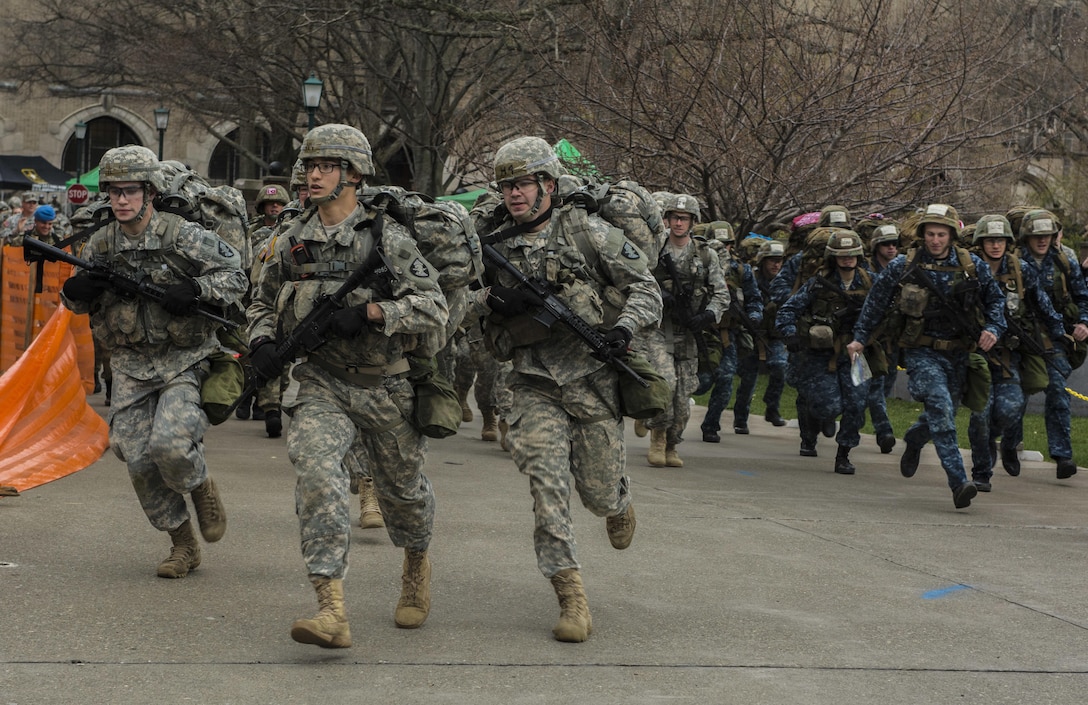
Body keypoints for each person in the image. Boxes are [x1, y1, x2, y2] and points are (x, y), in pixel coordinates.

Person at [247, 124, 448, 648]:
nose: (313, 175)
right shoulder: (289, 240)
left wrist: (375, 311)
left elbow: (434, 306)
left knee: (404, 498)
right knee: (316, 475)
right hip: (322, 383)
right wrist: (263, 339)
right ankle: (331, 609)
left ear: (353, 175)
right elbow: (262, 300)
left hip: (386, 388)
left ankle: (416, 563)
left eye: (327, 166)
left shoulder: (387, 239)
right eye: (310, 166)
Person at [476, 135, 661, 642]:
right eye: (507, 185)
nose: (514, 194)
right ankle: (571, 595)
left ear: (548, 185)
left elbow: (646, 288)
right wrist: (494, 300)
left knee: (597, 495)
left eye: (524, 183)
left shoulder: (590, 234)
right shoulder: (491, 246)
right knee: (547, 490)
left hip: (593, 382)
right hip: (532, 384)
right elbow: (456, 299)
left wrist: (622, 330)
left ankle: (618, 501)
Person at [58, 145, 246, 577]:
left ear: (150, 193)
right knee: (137, 457)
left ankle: (199, 485)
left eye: (130, 191)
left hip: (183, 358)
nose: (121, 200)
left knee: (170, 446)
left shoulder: (183, 235)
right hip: (129, 363)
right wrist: (80, 290)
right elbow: (74, 301)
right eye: (114, 192)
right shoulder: (102, 242)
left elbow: (235, 275)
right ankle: (182, 543)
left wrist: (197, 291)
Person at [846, 204, 1006, 509]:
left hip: (960, 354)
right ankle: (959, 482)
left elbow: (996, 300)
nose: (935, 240)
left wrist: (994, 329)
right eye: (930, 234)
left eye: (941, 234)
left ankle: (917, 437)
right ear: (922, 234)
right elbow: (875, 303)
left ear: (951, 235)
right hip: (922, 353)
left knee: (942, 413)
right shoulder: (903, 265)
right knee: (942, 410)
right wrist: (860, 339)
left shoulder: (971, 266)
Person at [965, 214, 1065, 490]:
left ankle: (1004, 443)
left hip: (1011, 354)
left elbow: (1041, 303)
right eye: (989, 240)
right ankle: (981, 471)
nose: (995, 245)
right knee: (980, 415)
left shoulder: (1021, 270)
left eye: (1000, 240)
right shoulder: (968, 270)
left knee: (1010, 410)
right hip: (977, 355)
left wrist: (1060, 331)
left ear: (1007, 242)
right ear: (980, 242)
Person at [778, 230, 872, 475]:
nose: (848, 259)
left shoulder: (870, 281)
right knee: (828, 406)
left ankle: (844, 454)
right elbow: (788, 309)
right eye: (842, 255)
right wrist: (790, 334)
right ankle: (812, 423)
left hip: (856, 353)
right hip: (820, 354)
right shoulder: (818, 282)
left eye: (852, 255)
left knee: (857, 403)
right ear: (833, 257)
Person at [1005, 209, 1088, 480]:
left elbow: (1082, 295)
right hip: (1020, 338)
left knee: (1057, 391)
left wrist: (1083, 322)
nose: (1042, 240)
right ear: (1026, 237)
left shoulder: (1064, 261)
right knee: (1017, 393)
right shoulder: (1013, 262)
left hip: (1055, 337)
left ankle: (1063, 455)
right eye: (1037, 235)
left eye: (1047, 235)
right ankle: (1011, 445)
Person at [646, 194, 729, 465]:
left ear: (693, 222)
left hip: (690, 333)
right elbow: (637, 278)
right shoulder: (655, 249)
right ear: (667, 220)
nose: (678, 223)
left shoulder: (706, 254)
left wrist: (707, 316)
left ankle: (672, 444)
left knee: (683, 400)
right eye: (674, 217)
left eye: (684, 218)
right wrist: (660, 295)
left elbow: (721, 295)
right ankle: (657, 437)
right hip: (660, 329)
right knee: (666, 384)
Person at [698, 222, 761, 440]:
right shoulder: (696, 265)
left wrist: (753, 316)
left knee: (725, 378)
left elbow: (754, 298)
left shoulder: (741, 270)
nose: (721, 249)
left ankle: (711, 425)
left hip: (726, 334)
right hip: (699, 332)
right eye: (716, 244)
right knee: (700, 382)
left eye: (725, 245)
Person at [732, 238, 788, 432]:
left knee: (780, 366)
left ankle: (772, 407)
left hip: (775, 336)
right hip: (752, 334)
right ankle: (740, 418)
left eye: (779, 260)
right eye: (772, 260)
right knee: (748, 378)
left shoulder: (786, 281)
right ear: (763, 260)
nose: (776, 264)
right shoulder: (751, 279)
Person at [864, 221, 902, 453]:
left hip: (894, 338)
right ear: (876, 246)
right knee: (875, 387)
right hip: (869, 338)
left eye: (895, 244)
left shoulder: (904, 268)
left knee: (885, 386)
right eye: (886, 244)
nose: (891, 248)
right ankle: (884, 431)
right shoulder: (865, 270)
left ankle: (860, 418)